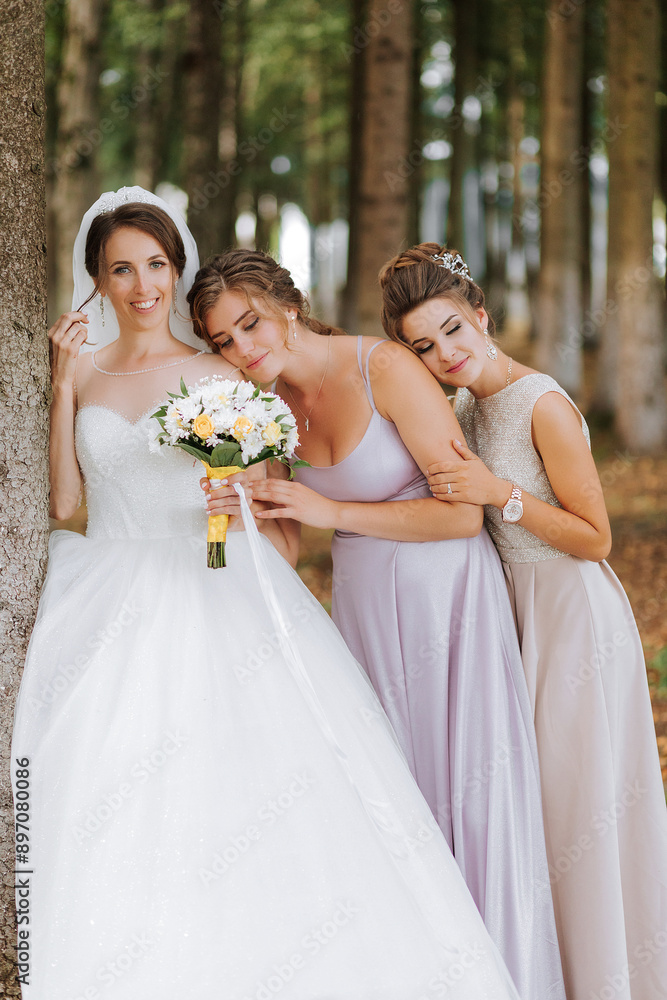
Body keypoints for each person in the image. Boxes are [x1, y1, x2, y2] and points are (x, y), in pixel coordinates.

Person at [12, 190, 524, 1000]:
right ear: (99, 281)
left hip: (211, 584)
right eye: (121, 270)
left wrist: (239, 506)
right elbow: (67, 506)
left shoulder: (225, 375)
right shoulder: (82, 373)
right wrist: (63, 383)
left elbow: (277, 523)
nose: (142, 284)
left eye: (155, 265)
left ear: (175, 271)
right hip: (107, 582)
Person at [189, 248, 566, 1000]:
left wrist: (332, 512)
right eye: (223, 341)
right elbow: (288, 548)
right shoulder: (267, 408)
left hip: (446, 603)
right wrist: (236, 503)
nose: (241, 349)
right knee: (394, 800)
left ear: (287, 306)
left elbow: (462, 514)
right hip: (363, 613)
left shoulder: (385, 368)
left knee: (468, 798)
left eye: (249, 324)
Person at [378, 241, 667, 1000]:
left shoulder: (539, 402)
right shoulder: (462, 407)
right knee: (531, 809)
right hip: (508, 614)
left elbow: (595, 539)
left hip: (569, 614)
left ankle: (610, 979)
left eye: (452, 331)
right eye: (422, 346)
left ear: (481, 316)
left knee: (581, 808)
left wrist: (497, 491)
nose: (444, 353)